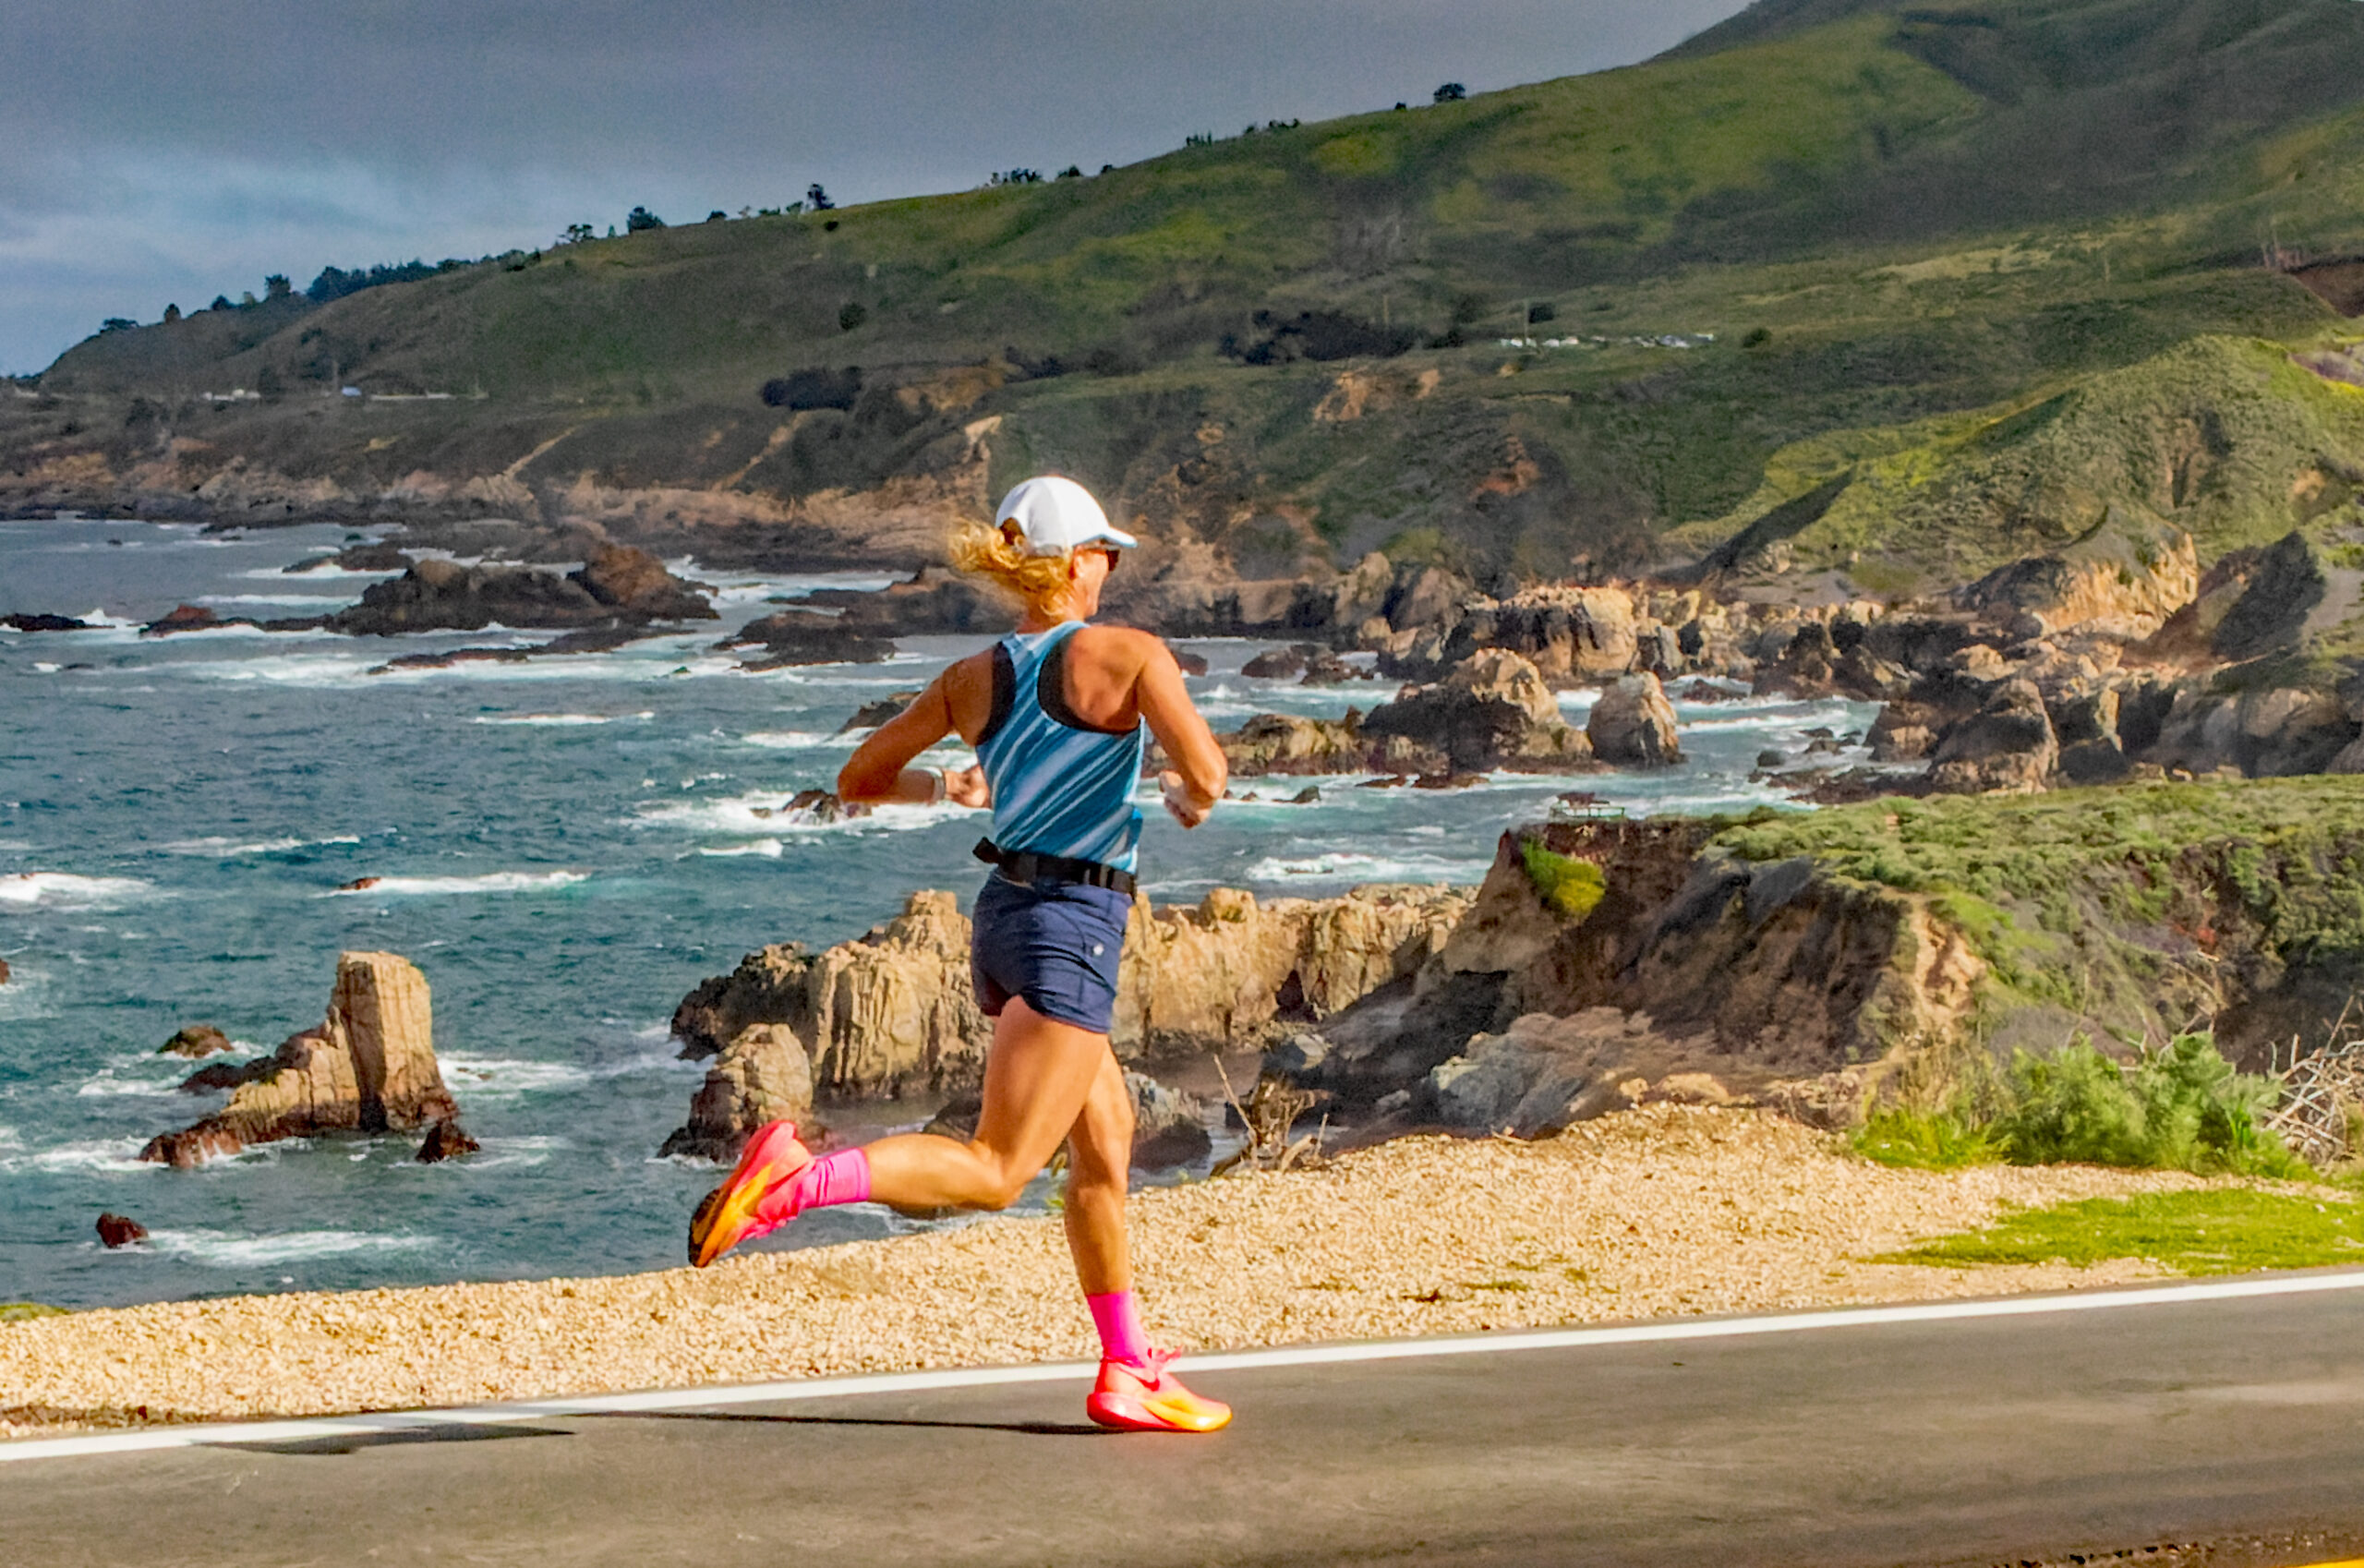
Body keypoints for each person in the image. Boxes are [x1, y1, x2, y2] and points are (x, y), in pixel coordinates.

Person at [685, 474, 1235, 1434]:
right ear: (1073, 562)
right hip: (1073, 923)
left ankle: (1126, 1366)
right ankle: (797, 1181)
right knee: (996, 1169)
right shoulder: (1131, 654)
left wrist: (949, 793)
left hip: (1005, 919)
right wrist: (1191, 797)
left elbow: (860, 779)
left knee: (1104, 1148)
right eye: (1104, 551)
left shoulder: (972, 676)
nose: (1109, 566)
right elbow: (1208, 772)